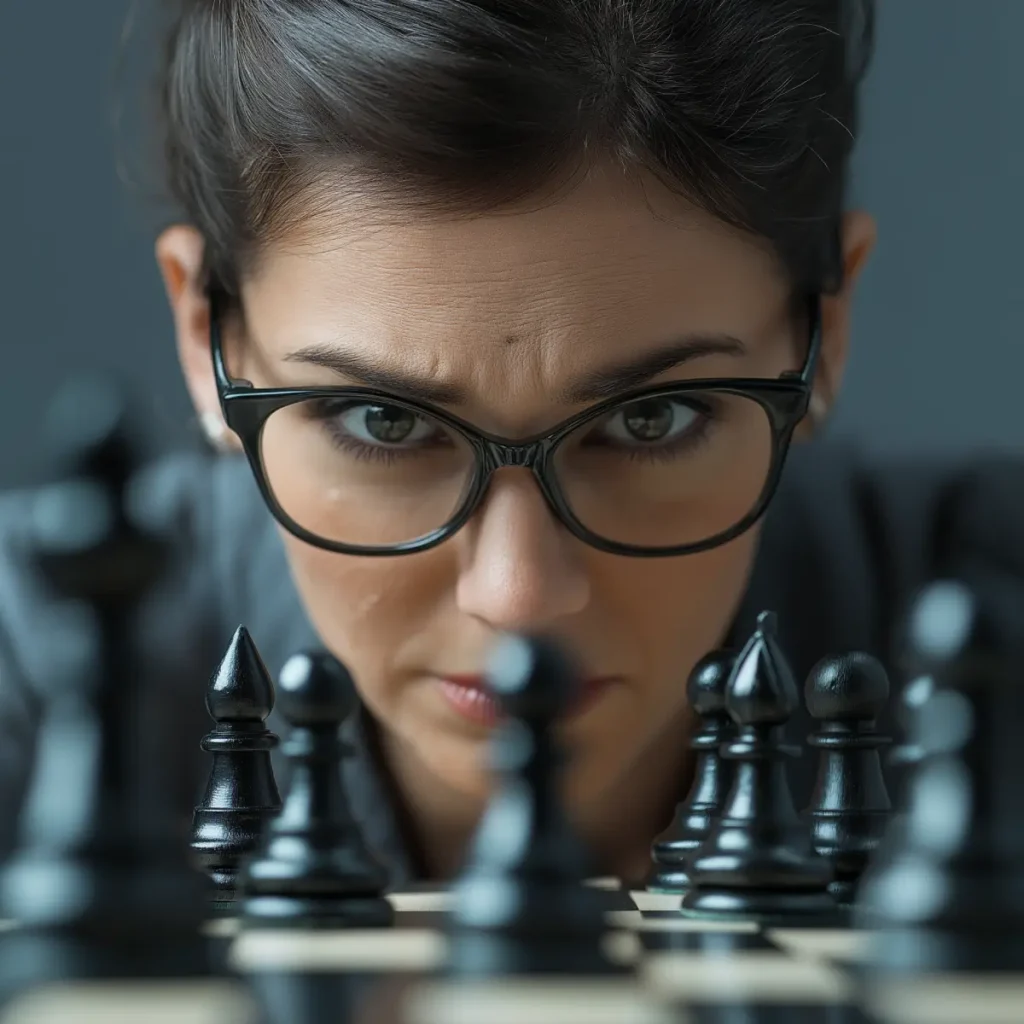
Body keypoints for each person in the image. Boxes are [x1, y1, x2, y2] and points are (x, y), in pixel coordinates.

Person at [0, 0, 1021, 887]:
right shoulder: (26, 666)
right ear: (204, 335)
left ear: (822, 335)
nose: (520, 596)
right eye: (384, 422)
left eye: (651, 420)